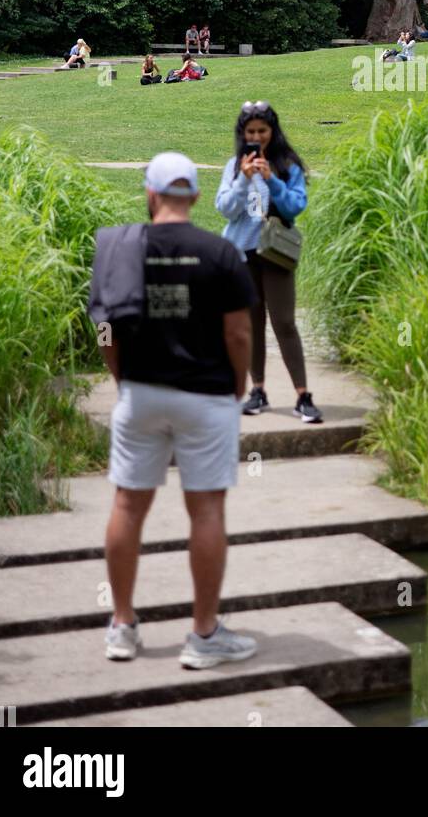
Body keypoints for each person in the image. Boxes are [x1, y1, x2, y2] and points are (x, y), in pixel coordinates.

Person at [91, 151, 259, 668]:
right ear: (193, 196)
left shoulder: (119, 248)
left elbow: (103, 330)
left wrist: (123, 379)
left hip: (141, 394)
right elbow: (238, 331)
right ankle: (204, 637)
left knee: (126, 506)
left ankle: (122, 626)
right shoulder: (220, 252)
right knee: (206, 510)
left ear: (151, 193)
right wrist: (237, 385)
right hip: (205, 397)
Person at [215, 101, 322, 424]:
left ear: (273, 132)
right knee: (252, 324)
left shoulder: (287, 165)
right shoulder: (235, 165)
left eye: (262, 131)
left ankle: (303, 396)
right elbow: (225, 208)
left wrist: (271, 179)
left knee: (285, 323)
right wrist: (244, 179)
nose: (257, 137)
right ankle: (257, 390)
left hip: (276, 253)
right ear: (242, 134)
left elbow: (294, 207)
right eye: (251, 132)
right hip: (242, 253)